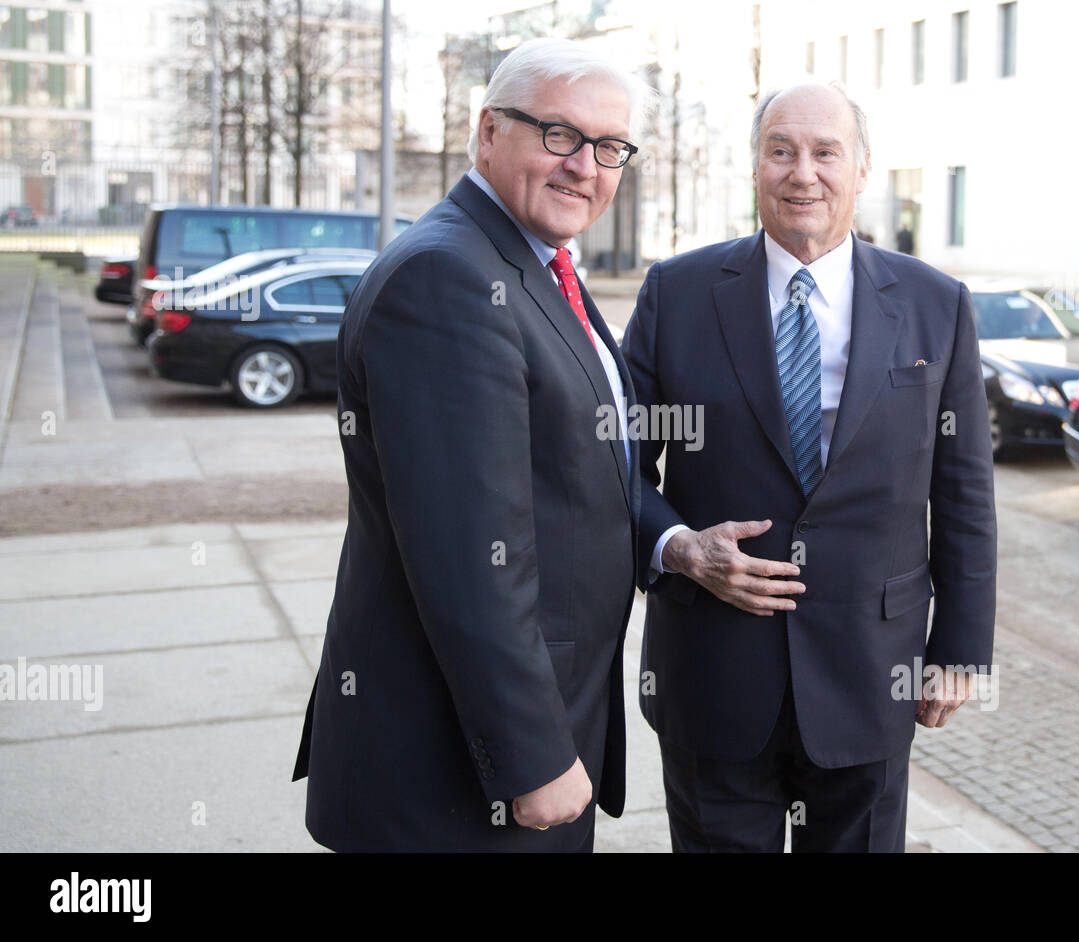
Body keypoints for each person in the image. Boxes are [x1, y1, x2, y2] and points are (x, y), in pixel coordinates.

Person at [291, 38, 648, 852]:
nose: (584, 166)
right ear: (488, 132)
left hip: (518, 736)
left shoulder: (528, 257)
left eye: (609, 148)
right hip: (463, 775)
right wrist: (531, 758)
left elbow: (574, 473)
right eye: (557, 134)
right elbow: (469, 558)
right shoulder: (449, 278)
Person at [620, 83, 997, 853]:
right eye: (781, 151)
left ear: (862, 171)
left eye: (826, 153)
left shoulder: (937, 304)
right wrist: (679, 548)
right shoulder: (676, 294)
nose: (803, 174)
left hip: (870, 672)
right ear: (754, 168)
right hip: (712, 672)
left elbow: (963, 491)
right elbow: (614, 465)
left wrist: (959, 649)